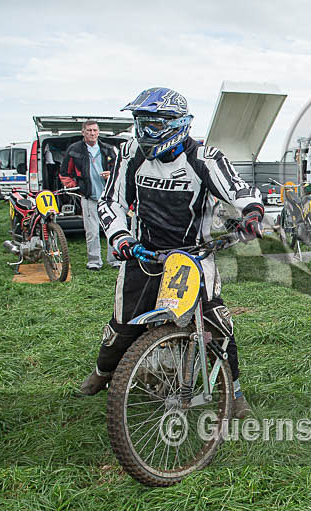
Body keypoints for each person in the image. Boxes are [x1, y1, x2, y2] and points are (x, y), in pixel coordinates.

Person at [79, 87, 264, 420]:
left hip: (192, 256)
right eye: (141, 123)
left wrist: (252, 212)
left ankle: (233, 393)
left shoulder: (204, 157)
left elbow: (239, 190)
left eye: (155, 125)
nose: (146, 133)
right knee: (123, 328)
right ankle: (103, 372)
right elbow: (111, 201)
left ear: (178, 124)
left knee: (217, 325)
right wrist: (120, 237)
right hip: (144, 254)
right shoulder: (131, 152)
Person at [59, 120, 121, 270]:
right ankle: (94, 262)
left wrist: (111, 175)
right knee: (92, 232)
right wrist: (76, 187)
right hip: (89, 197)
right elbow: (64, 174)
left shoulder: (108, 149)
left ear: (98, 132)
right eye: (89, 131)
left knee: (112, 229)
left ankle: (115, 260)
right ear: (83, 133)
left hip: (109, 198)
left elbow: (120, 170)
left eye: (95, 130)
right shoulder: (74, 150)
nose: (92, 133)